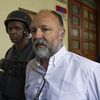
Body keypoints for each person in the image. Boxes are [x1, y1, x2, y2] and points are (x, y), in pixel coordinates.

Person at [25, 10, 100, 100]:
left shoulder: (89, 70)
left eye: (45, 29)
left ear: (61, 34)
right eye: (33, 30)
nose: (37, 36)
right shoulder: (30, 66)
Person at [1, 10, 35, 100]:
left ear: (26, 30)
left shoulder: (35, 52)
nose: (12, 32)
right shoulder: (9, 52)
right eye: (10, 28)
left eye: (17, 28)